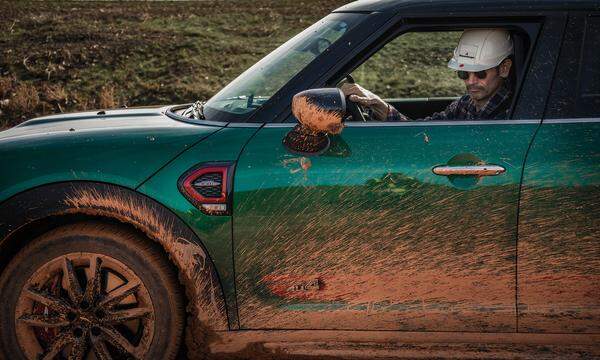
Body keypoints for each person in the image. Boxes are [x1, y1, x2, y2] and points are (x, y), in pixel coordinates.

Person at [341, 28, 515, 121]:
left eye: (480, 73)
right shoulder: (464, 104)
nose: (470, 81)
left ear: (504, 68)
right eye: (463, 74)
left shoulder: (512, 113)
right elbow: (421, 134)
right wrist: (377, 103)